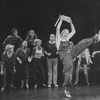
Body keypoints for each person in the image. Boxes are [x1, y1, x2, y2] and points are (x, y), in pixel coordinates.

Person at [55, 15, 98, 98]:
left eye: (67, 33)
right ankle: (67, 88)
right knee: (68, 74)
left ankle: (94, 39)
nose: (66, 34)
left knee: (81, 44)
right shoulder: (59, 39)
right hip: (65, 56)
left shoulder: (67, 39)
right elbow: (57, 29)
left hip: (70, 53)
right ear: (62, 33)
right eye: (65, 33)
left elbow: (74, 31)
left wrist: (71, 22)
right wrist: (61, 20)